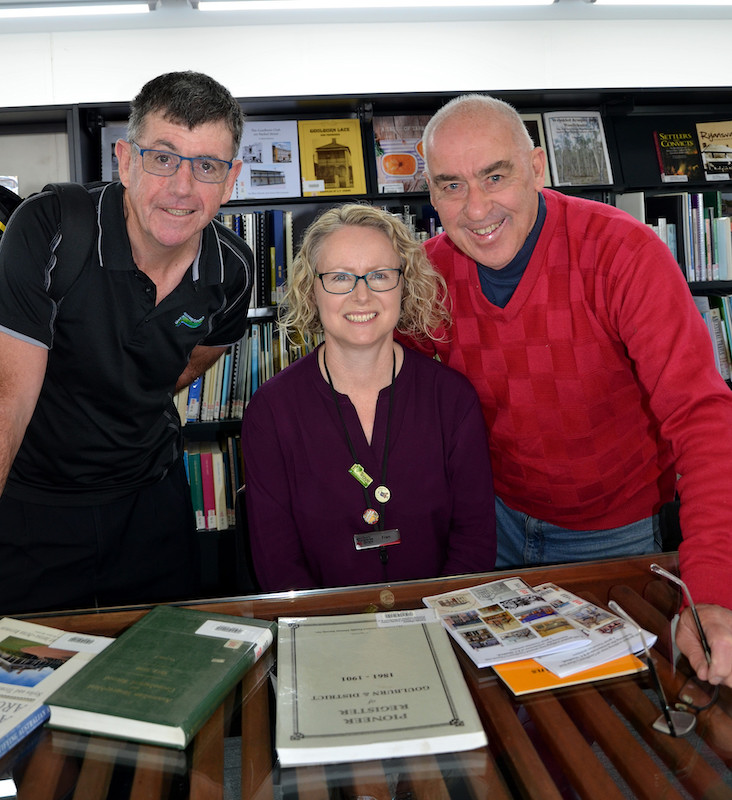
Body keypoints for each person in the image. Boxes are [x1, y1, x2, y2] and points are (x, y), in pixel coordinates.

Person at [414, 92, 732, 687]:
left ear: (537, 167)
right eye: (451, 185)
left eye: (495, 175)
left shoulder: (623, 253)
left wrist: (713, 589)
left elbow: (703, 416)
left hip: (616, 527)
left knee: (618, 709)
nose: (476, 207)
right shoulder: (425, 276)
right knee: (497, 704)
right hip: (494, 519)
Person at [0, 71, 253, 614]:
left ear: (230, 179)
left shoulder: (232, 268)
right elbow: (7, 404)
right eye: (163, 157)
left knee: (160, 669)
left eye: (206, 165)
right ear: (124, 159)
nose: (182, 187)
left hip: (151, 502)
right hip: (34, 503)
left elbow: (194, 362)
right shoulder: (50, 229)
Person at [241, 203, 496, 592]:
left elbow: (474, 542)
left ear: (404, 285)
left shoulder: (452, 400)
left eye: (379, 275)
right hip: (323, 632)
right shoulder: (271, 412)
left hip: (438, 625)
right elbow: (277, 562)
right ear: (311, 290)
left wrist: (436, 622)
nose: (362, 295)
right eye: (341, 277)